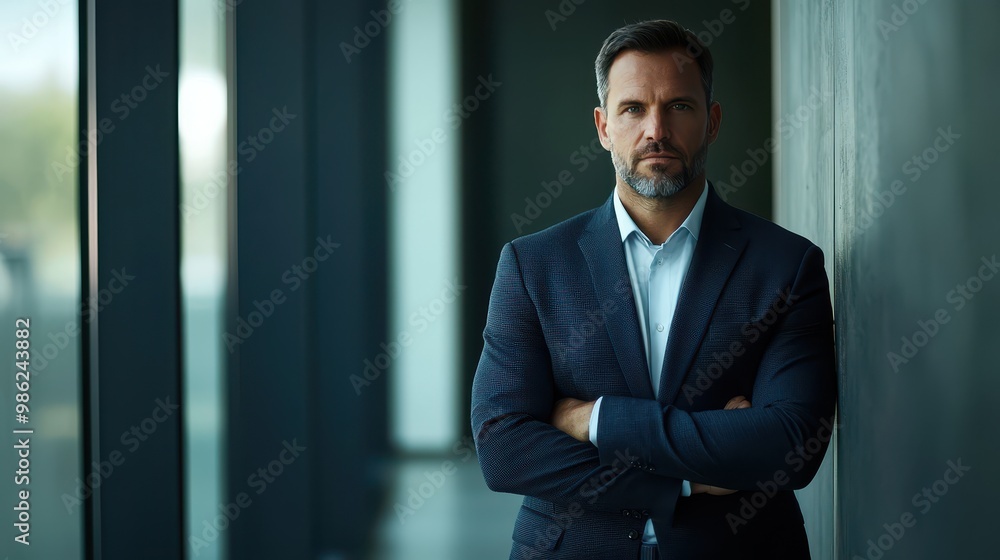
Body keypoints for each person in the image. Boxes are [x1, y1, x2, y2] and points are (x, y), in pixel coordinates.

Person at [471, 19, 836, 560]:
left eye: (679, 107)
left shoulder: (786, 264)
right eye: (633, 108)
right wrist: (679, 484)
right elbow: (504, 450)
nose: (656, 130)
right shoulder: (533, 265)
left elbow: (791, 446)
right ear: (602, 126)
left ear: (712, 122)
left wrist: (593, 419)